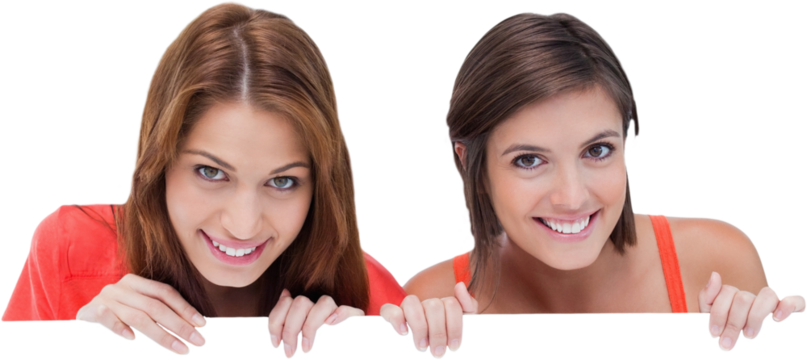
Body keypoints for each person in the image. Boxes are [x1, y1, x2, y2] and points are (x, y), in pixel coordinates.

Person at [382, 10, 806, 353]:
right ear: (469, 159)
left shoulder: (717, 260)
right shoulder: (432, 300)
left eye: (597, 151)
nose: (572, 196)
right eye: (529, 160)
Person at [0, 2, 408, 357]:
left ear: (321, 186)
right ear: (158, 164)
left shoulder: (368, 295)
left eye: (283, 181)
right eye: (211, 172)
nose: (243, 224)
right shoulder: (70, 250)